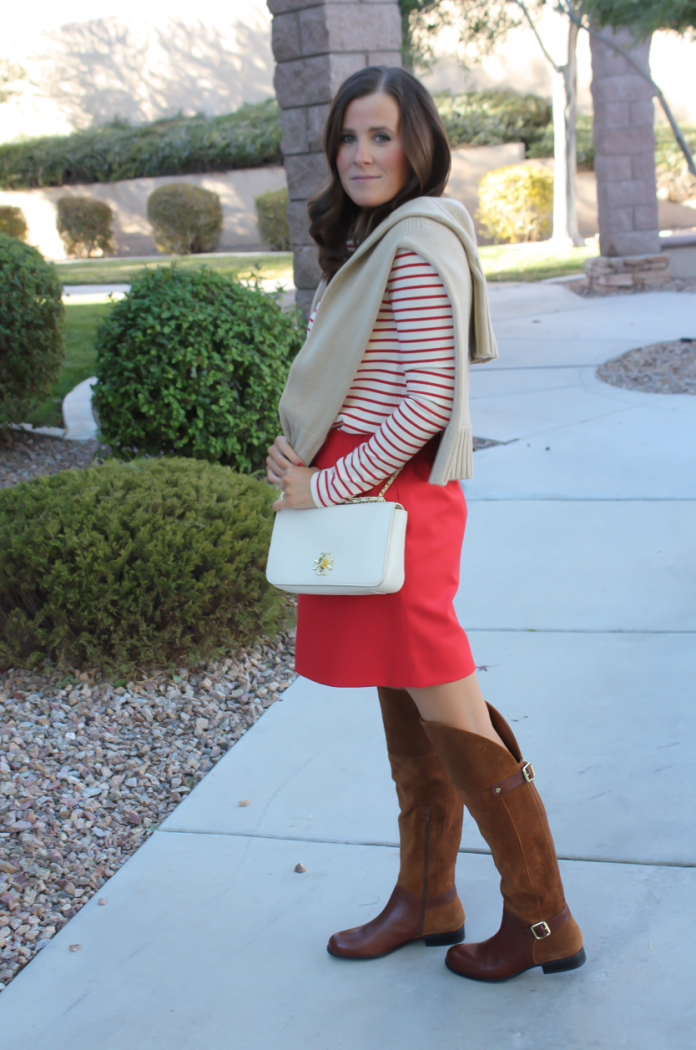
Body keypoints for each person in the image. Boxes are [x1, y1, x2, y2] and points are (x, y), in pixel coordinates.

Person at [266, 65, 585, 982]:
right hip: (370, 494)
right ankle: (428, 899)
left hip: (394, 505)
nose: (362, 153)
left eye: (382, 135)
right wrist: (303, 461)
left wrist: (324, 491)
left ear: (418, 144)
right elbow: (367, 387)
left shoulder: (411, 243)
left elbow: (425, 403)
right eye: (349, 136)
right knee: (408, 702)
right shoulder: (377, 238)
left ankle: (541, 920)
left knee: (446, 700)